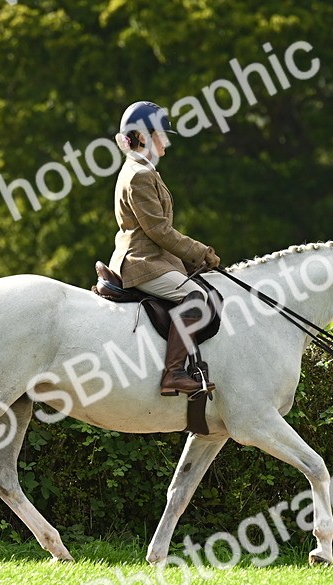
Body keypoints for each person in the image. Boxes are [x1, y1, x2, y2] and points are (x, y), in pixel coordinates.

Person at [108, 101, 222, 397]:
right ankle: (173, 373)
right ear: (142, 137)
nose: (165, 141)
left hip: (154, 258)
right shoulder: (139, 175)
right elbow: (159, 230)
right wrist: (200, 252)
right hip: (142, 261)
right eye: (160, 135)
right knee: (195, 297)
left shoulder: (143, 170)